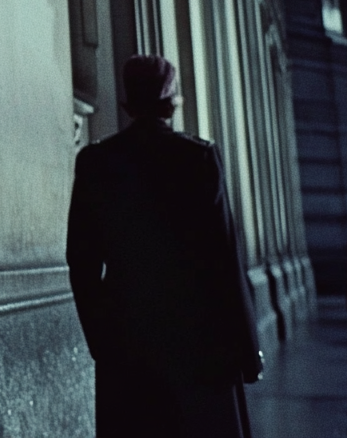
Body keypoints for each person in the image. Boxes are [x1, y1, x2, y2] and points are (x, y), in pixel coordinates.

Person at [67, 55, 263, 438]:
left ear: (128, 104)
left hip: (127, 338)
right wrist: (247, 347)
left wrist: (101, 339)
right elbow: (225, 259)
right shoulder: (199, 157)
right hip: (198, 336)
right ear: (171, 103)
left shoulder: (96, 162)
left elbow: (82, 261)